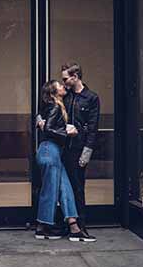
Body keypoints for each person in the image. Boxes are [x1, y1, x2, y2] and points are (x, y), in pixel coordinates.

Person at [37, 62, 100, 242]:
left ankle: (77, 226)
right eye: (61, 82)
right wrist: (39, 119)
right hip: (57, 150)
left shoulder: (91, 98)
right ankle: (62, 226)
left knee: (74, 188)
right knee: (58, 188)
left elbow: (93, 128)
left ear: (75, 76)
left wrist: (86, 153)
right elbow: (45, 108)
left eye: (65, 79)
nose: (63, 83)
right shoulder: (64, 97)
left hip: (75, 151)